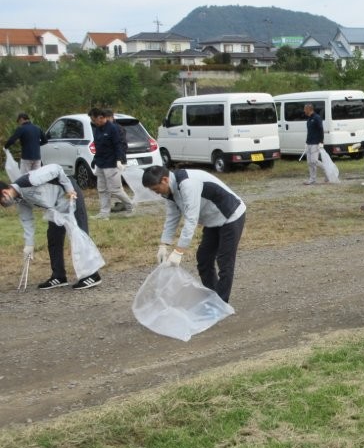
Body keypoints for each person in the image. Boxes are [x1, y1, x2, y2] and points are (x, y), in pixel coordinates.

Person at [142, 165, 246, 303]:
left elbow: (191, 219)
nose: (156, 193)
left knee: (224, 261)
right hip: (212, 219)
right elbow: (172, 217)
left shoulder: (188, 184)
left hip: (231, 215)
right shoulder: (168, 192)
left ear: (165, 180)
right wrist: (164, 244)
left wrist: (179, 251)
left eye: (155, 189)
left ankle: (222, 304)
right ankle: (213, 298)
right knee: (204, 258)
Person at [0, 163, 101, 289]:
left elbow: (56, 168)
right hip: (56, 207)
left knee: (79, 234)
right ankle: (59, 276)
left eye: (2, 202)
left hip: (70, 196)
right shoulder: (21, 199)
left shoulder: (30, 180)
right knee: (54, 237)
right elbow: (27, 221)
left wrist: (69, 189)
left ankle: (92, 275)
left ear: (4, 192)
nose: (4, 205)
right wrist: (29, 245)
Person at [88, 107, 134, 218]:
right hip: (100, 163)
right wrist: (95, 159)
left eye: (94, 120)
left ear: (100, 117)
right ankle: (104, 213)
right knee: (102, 190)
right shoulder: (97, 129)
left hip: (111, 164)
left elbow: (118, 145)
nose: (93, 122)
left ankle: (130, 206)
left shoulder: (113, 129)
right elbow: (98, 146)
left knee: (115, 190)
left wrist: (119, 160)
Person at [302, 103, 326, 185]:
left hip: (315, 143)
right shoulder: (309, 119)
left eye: (305, 109)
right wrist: (306, 142)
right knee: (309, 162)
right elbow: (309, 132)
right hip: (309, 142)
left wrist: (321, 141)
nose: (304, 111)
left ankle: (327, 171)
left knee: (314, 161)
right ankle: (312, 179)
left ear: (309, 109)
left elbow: (321, 129)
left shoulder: (317, 118)